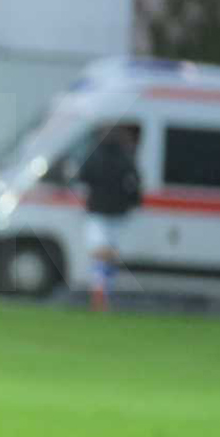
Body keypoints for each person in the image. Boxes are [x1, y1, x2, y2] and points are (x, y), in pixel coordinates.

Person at [77, 124, 142, 312]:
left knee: (99, 252)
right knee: (110, 253)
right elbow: (135, 183)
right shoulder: (126, 158)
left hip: (97, 212)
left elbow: (82, 176)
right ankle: (104, 291)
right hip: (119, 214)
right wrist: (133, 202)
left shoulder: (94, 156)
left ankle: (100, 290)